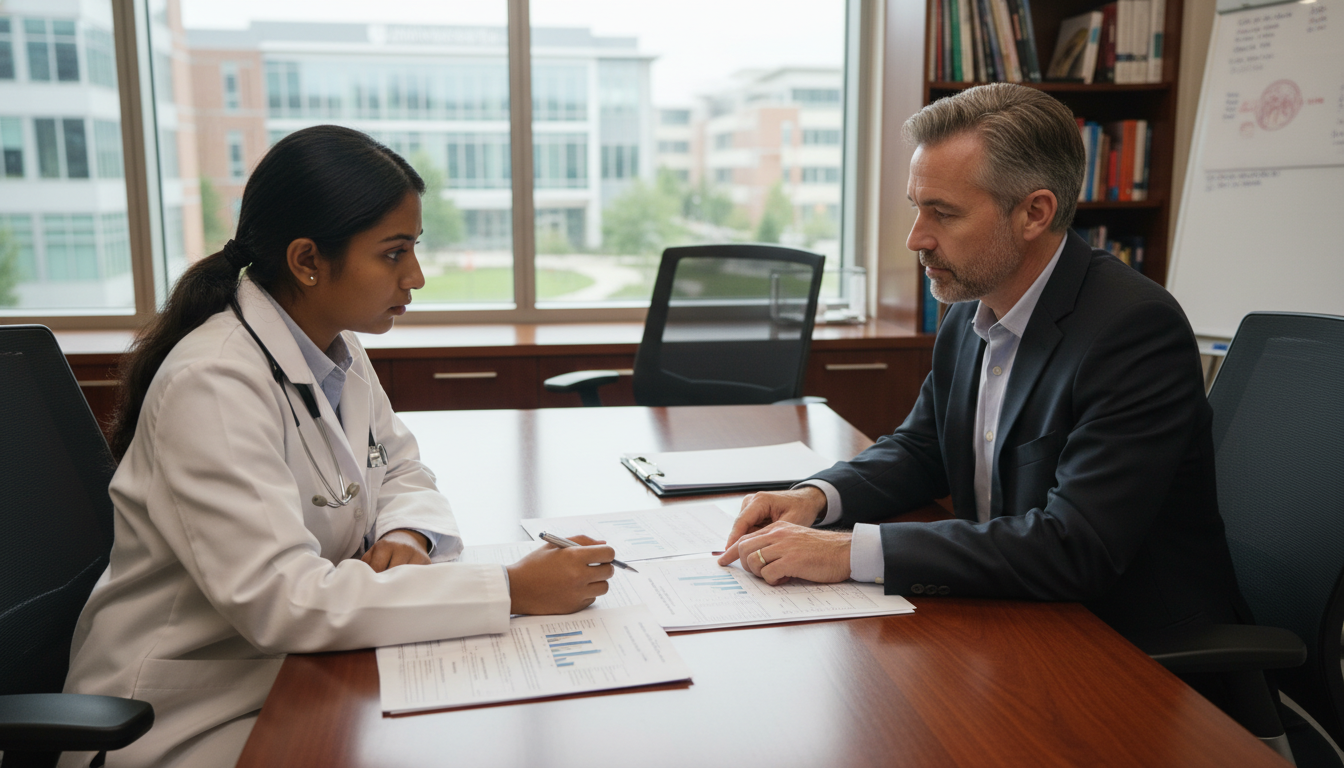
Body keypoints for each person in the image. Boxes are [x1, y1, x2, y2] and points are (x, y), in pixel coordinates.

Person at [60, 126, 614, 768]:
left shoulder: (333, 348)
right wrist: (511, 590)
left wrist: (409, 536)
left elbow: (401, 467)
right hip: (179, 716)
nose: (417, 276)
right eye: (392, 253)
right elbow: (285, 602)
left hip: (291, 674)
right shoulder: (213, 381)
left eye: (414, 249)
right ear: (307, 260)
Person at [719, 83, 1247, 640]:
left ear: (1034, 213)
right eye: (917, 208)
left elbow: (1076, 546)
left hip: (1126, 646)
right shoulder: (971, 305)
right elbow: (924, 449)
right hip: (1015, 612)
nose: (915, 238)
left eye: (943, 214)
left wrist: (850, 552)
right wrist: (815, 498)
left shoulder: (1133, 331)